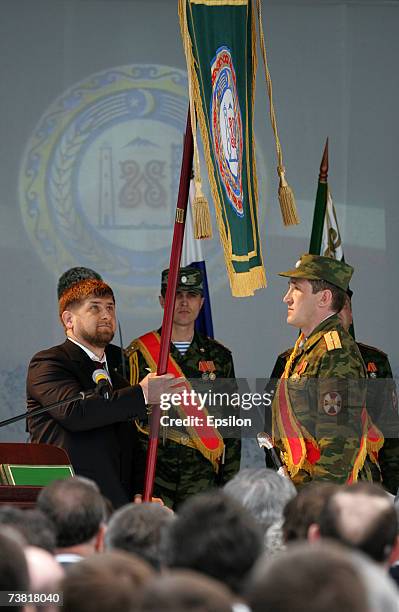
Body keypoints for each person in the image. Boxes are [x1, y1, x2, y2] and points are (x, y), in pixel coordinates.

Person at [27, 278, 183, 507]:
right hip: (66, 504)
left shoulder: (118, 381)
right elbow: (76, 413)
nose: (106, 315)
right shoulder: (50, 363)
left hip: (114, 508)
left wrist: (141, 492)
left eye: (110, 307)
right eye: (95, 307)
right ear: (69, 319)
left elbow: (131, 447)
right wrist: (141, 394)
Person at [125, 266, 241, 509]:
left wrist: (228, 489)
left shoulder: (219, 357)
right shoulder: (138, 355)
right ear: (162, 300)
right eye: (176, 295)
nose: (184, 302)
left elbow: (231, 428)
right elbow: (126, 426)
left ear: (201, 302)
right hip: (154, 480)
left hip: (203, 481)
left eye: (191, 295)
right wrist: (133, 486)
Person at [266, 286, 398, 492]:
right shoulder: (289, 362)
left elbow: (389, 428)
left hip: (353, 481)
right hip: (303, 482)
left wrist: (389, 489)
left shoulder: (373, 360)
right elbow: (275, 432)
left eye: (344, 307)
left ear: (351, 315)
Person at [270, 253, 378, 485]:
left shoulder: (334, 352)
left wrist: (316, 502)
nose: (286, 298)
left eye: (296, 289)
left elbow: (339, 442)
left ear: (324, 298)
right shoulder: (309, 348)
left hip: (329, 499)